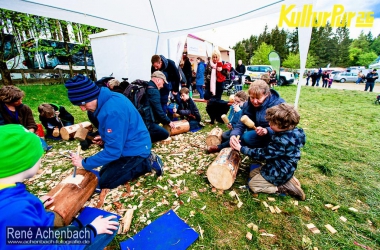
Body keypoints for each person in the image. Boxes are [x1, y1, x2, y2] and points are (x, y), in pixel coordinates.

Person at [0, 124, 119, 249]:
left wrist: (37, 206)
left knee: (72, 230)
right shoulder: (16, 212)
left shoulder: (10, 196)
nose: (41, 159)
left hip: (36, 235)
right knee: (111, 223)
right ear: (24, 163)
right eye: (39, 156)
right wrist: (92, 230)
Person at [65, 75, 164, 190]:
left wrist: (84, 163)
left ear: (91, 96)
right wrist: (104, 137)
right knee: (103, 172)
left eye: (83, 104)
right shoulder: (109, 98)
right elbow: (119, 129)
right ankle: (141, 160)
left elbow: (113, 151)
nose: (82, 109)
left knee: (106, 182)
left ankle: (146, 162)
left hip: (135, 149)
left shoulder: (112, 111)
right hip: (128, 145)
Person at [230, 103, 306, 200]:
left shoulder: (282, 142)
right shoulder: (291, 132)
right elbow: (276, 139)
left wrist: (241, 148)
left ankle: (282, 187)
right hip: (280, 165)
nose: (269, 124)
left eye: (272, 123)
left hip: (279, 170)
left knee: (253, 185)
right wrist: (266, 130)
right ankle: (288, 179)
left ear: (282, 125)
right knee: (252, 174)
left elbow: (262, 154)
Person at [229, 80, 285, 149]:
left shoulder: (278, 104)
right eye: (252, 97)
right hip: (257, 133)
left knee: (247, 137)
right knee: (233, 137)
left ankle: (267, 149)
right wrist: (234, 135)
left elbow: (284, 127)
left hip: (276, 135)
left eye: (258, 98)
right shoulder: (247, 105)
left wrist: (267, 130)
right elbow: (240, 125)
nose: (255, 101)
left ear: (266, 95)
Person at [0, 85, 51, 150]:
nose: (20, 102)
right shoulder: (1, 109)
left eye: (21, 99)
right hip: (7, 137)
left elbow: (31, 124)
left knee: (42, 146)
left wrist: (28, 134)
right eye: (17, 101)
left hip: (24, 135)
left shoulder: (25, 108)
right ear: (8, 101)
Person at [146, 71, 176, 143]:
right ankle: (145, 139)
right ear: (158, 80)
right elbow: (158, 110)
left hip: (143, 119)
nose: (162, 86)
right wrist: (168, 121)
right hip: (147, 122)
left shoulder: (147, 86)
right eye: (163, 82)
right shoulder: (154, 91)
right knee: (165, 134)